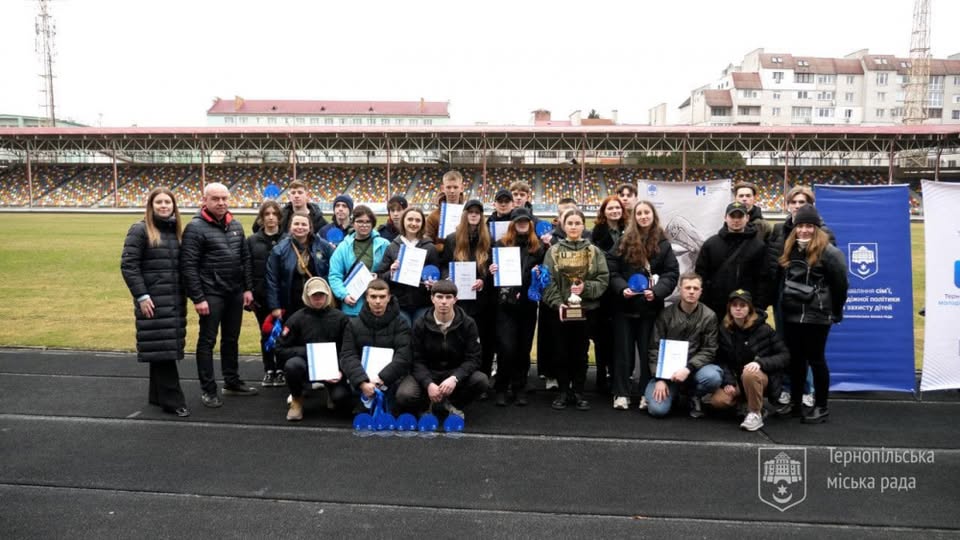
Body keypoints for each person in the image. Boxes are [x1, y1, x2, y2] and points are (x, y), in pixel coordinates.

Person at [181, 182, 258, 408]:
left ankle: (231, 381)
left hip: (234, 292)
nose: (221, 202)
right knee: (207, 341)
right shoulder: (195, 228)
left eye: (224, 198)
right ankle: (208, 389)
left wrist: (247, 288)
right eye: (215, 199)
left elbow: (245, 259)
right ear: (204, 200)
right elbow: (188, 266)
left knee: (231, 339)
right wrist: (198, 297)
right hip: (211, 294)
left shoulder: (235, 224)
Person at [775, 204, 848, 424]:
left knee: (816, 360)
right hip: (792, 315)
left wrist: (834, 311)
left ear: (817, 228)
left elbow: (841, 285)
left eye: (809, 226)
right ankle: (796, 403)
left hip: (817, 316)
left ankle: (821, 407)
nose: (804, 230)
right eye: (800, 226)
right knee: (795, 361)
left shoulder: (830, 252)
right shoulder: (790, 248)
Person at [120, 187, 189, 417]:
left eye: (167, 202)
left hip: (174, 300)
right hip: (153, 300)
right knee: (164, 348)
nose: (163, 206)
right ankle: (173, 400)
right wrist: (142, 295)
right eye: (158, 202)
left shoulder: (175, 231)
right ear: (151, 206)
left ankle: (157, 395)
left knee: (161, 345)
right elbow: (129, 266)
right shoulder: (140, 230)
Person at [767, 185, 836, 407]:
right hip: (783, 295)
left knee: (810, 352)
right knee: (788, 346)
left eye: (802, 202)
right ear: (787, 205)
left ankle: (808, 390)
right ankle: (790, 389)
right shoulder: (779, 229)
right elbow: (773, 264)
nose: (797, 206)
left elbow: (834, 275)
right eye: (794, 202)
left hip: (811, 302)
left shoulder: (824, 233)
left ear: (811, 205)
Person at [607, 200, 679, 410]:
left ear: (653, 215)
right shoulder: (623, 241)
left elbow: (671, 273)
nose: (643, 216)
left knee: (648, 352)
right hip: (624, 307)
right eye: (639, 213)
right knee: (622, 351)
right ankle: (620, 393)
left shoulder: (663, 243)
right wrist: (622, 288)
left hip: (650, 309)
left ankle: (645, 393)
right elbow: (611, 269)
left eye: (647, 212)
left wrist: (656, 292)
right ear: (634, 217)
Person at [541, 208, 609, 411]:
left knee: (580, 352)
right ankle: (563, 391)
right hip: (560, 311)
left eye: (577, 223)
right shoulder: (553, 251)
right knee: (561, 351)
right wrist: (557, 303)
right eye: (569, 223)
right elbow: (546, 280)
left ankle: (578, 391)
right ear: (563, 225)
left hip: (586, 310)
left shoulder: (594, 252)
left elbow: (603, 279)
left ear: (583, 226)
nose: (573, 227)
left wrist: (584, 289)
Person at [395, 280, 489, 418]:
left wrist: (455, 378)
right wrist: (428, 384)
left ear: (455, 299)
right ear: (432, 298)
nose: (444, 302)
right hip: (428, 371)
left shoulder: (468, 323)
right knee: (404, 395)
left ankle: (453, 404)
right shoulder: (420, 323)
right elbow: (416, 359)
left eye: (448, 297)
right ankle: (426, 405)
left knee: (481, 380)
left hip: (453, 372)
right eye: (439, 297)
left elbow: (474, 358)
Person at [708, 289, 790, 431]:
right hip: (737, 379)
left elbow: (784, 356)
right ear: (729, 308)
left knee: (749, 373)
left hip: (761, 378)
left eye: (743, 305)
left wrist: (760, 363)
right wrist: (728, 380)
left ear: (750, 308)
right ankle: (745, 404)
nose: (738, 308)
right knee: (718, 401)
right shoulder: (724, 329)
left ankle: (755, 413)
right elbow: (720, 358)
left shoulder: (764, 329)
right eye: (735, 305)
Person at [644, 272, 722, 419]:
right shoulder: (666, 314)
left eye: (695, 288)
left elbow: (709, 350)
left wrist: (688, 368)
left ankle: (694, 395)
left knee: (713, 376)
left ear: (701, 291)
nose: (691, 291)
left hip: (694, 371)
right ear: (680, 289)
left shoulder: (709, 316)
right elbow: (654, 347)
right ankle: (674, 395)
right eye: (687, 288)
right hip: (667, 374)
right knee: (657, 410)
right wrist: (660, 378)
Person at [276, 277, 353, 421]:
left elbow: (349, 349)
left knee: (342, 400)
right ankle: (297, 401)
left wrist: (341, 370)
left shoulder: (341, 318)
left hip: (333, 369)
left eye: (321, 295)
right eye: (314, 295)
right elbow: (279, 348)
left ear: (327, 295)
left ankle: (332, 393)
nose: (318, 299)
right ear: (307, 296)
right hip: (306, 367)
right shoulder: (296, 319)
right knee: (292, 365)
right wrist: (308, 353)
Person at [490, 208, 545, 406]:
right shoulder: (499, 245)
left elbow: (543, 277)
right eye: (518, 221)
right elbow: (492, 278)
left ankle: (519, 386)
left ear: (530, 223)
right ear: (512, 224)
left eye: (525, 221)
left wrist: (538, 275)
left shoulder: (538, 248)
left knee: (523, 347)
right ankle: (502, 387)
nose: (522, 224)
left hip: (528, 304)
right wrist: (492, 270)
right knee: (506, 347)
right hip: (505, 304)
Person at [442, 199, 497, 378]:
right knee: (459, 339)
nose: (474, 215)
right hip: (460, 299)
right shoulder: (452, 238)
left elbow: (492, 268)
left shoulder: (489, 239)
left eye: (478, 212)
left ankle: (483, 376)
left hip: (483, 300)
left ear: (481, 216)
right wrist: (447, 278)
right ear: (465, 214)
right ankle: (457, 377)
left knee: (484, 340)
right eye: (471, 211)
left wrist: (483, 279)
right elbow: (445, 265)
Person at [340, 280, 412, 407]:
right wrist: (362, 382)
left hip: (392, 379)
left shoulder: (401, 323)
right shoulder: (353, 324)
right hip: (364, 379)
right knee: (345, 396)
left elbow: (404, 356)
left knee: (404, 396)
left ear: (389, 298)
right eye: (373, 296)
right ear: (366, 298)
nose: (378, 301)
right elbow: (348, 355)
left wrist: (382, 378)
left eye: (382, 297)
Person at [695, 201, 770, 319]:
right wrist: (705, 303)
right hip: (715, 309)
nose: (736, 220)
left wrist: (759, 307)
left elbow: (764, 279)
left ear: (747, 218)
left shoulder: (758, 246)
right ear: (725, 218)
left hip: (746, 308)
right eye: (732, 216)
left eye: (740, 216)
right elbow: (701, 275)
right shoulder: (711, 244)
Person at [374, 207, 441, 326]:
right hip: (399, 304)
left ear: (422, 223)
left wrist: (433, 283)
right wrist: (392, 272)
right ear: (403, 221)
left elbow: (437, 275)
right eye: (410, 219)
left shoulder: (429, 247)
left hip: (423, 303)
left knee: (419, 337)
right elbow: (380, 277)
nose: (413, 223)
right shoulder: (392, 247)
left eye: (417, 220)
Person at [265, 210, 335, 320]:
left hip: (318, 300)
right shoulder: (279, 250)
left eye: (304, 224)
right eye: (296, 224)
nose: (300, 227)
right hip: (291, 303)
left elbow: (335, 270)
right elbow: (272, 279)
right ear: (290, 227)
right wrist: (275, 306)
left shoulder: (323, 246)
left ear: (310, 227)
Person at [589, 195, 627, 395]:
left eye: (617, 208)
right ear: (604, 211)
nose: (614, 211)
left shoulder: (629, 230)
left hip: (621, 290)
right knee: (601, 337)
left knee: (618, 337)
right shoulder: (596, 233)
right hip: (603, 292)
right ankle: (600, 376)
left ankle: (615, 374)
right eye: (610, 208)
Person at [246, 201, 285, 387]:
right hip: (261, 297)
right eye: (266, 214)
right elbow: (246, 267)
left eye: (274, 213)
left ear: (279, 217)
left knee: (284, 334)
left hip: (283, 296)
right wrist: (249, 291)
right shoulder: (253, 240)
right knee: (266, 332)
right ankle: (269, 369)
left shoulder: (287, 238)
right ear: (261, 218)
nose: (270, 217)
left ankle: (282, 369)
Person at [328, 205, 390, 317]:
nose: (364, 225)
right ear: (353, 223)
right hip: (353, 306)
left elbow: (390, 271)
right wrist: (344, 295)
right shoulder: (343, 247)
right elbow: (335, 275)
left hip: (378, 305)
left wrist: (379, 276)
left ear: (372, 224)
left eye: (367, 222)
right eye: (360, 221)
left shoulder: (384, 244)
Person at [253, 180, 327, 234]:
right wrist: (265, 207)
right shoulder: (282, 215)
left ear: (307, 196)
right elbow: (256, 228)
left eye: (300, 192)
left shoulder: (318, 218)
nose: (296, 196)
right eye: (293, 193)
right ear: (289, 196)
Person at [424, 170, 467, 255]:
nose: (452, 191)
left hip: (465, 259)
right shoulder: (433, 217)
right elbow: (426, 242)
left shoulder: (469, 213)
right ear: (443, 188)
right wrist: (441, 247)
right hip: (441, 260)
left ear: (462, 188)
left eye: (455, 187)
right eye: (448, 187)